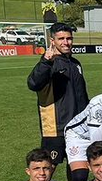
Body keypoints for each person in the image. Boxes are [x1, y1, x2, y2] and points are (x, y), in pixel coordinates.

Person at [27, 22, 89, 169]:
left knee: (77, 168)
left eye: (69, 38)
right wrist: (46, 62)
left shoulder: (75, 63)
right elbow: (33, 84)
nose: (66, 42)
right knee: (48, 168)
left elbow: (82, 94)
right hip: (56, 128)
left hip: (79, 125)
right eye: (61, 39)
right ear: (52, 41)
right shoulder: (49, 63)